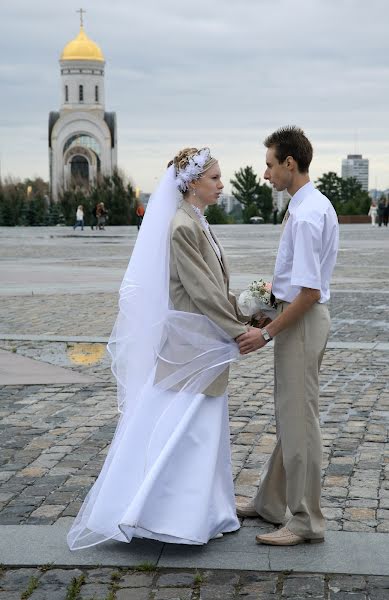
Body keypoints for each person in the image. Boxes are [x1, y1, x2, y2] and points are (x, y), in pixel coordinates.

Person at [67, 147, 248, 550]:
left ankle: (207, 510)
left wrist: (247, 311)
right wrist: (239, 328)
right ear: (193, 184)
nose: (221, 185)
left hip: (203, 342)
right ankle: (166, 515)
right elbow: (202, 292)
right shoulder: (183, 227)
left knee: (200, 429)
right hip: (192, 345)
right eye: (215, 178)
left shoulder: (197, 221)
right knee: (186, 429)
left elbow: (214, 288)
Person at [237, 126, 339, 546]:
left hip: (302, 323)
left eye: (269, 165)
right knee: (292, 417)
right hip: (297, 319)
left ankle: (305, 521)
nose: (265, 174)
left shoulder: (308, 215)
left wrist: (267, 333)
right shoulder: (307, 207)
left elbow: (311, 291)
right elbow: (298, 286)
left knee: (301, 423)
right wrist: (268, 310)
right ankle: (270, 501)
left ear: (289, 164)